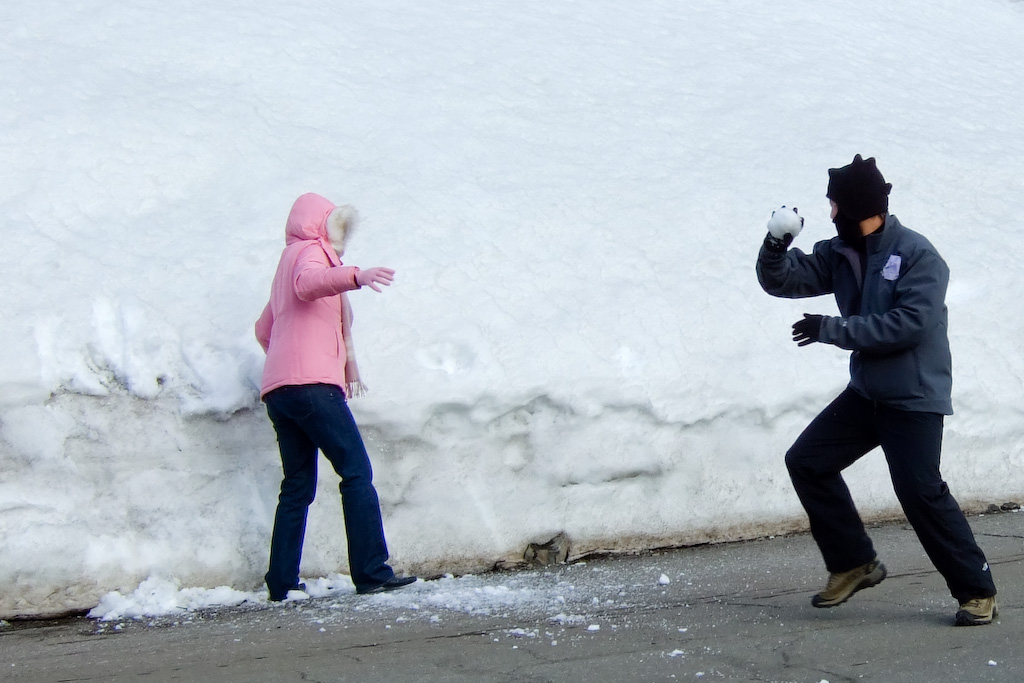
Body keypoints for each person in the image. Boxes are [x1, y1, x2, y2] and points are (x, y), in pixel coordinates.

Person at [755, 155, 998, 626]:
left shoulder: (918, 256)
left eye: (833, 205)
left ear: (857, 207)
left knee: (920, 492)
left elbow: (907, 325)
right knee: (807, 461)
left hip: (913, 395)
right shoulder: (842, 251)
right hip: (868, 394)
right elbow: (781, 279)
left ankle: (978, 590)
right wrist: (775, 241)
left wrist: (833, 328)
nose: (829, 214)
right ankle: (853, 563)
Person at [255, 192, 415, 601]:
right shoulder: (311, 254)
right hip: (313, 388)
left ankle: (281, 581)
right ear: (323, 227)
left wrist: (288, 359)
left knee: (296, 486)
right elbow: (309, 286)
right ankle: (372, 571)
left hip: (280, 391)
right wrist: (354, 276)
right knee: (356, 472)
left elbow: (263, 329)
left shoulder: (285, 262)